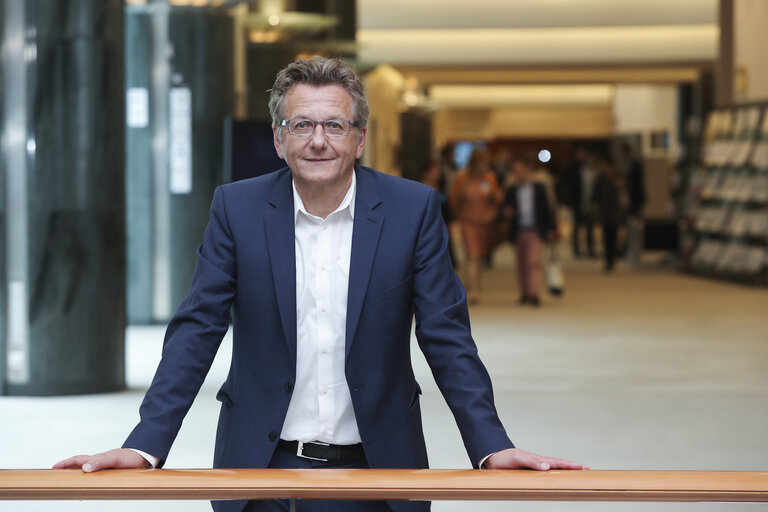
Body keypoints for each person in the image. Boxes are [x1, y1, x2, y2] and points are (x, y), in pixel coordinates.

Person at [55, 57, 584, 512]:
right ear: (278, 138)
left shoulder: (411, 210)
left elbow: (446, 336)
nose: (318, 142)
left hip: (379, 473)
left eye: (334, 126)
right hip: (259, 474)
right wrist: (146, 443)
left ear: (360, 138)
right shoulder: (236, 209)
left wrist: (490, 443)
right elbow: (197, 329)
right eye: (301, 125)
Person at [449, 148, 503, 303]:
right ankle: (474, 290)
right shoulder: (463, 178)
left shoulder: (489, 178)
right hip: (468, 220)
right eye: (481, 164)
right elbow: (454, 200)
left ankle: (475, 283)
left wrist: (491, 191)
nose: (483, 167)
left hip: (486, 220)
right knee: (472, 254)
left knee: (479, 254)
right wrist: (464, 188)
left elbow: (498, 199)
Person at [504, 153, 556, 307]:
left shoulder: (539, 187)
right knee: (521, 263)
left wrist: (551, 228)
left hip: (535, 229)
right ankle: (525, 292)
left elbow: (547, 209)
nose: (518, 173)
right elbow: (505, 208)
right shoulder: (512, 189)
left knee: (533, 262)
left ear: (528, 169)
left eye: (520, 169)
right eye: (515, 170)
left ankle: (534, 293)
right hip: (519, 229)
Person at [592, 155, 624, 272]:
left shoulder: (617, 177)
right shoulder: (600, 178)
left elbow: (623, 191)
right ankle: (608, 261)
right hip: (605, 213)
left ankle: (612, 260)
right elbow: (595, 195)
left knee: (614, 238)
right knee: (606, 238)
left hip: (614, 212)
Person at [564, 147, 597, 258]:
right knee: (577, 227)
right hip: (577, 202)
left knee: (589, 227)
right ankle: (576, 249)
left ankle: (590, 248)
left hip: (588, 203)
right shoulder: (573, 168)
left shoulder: (590, 170)